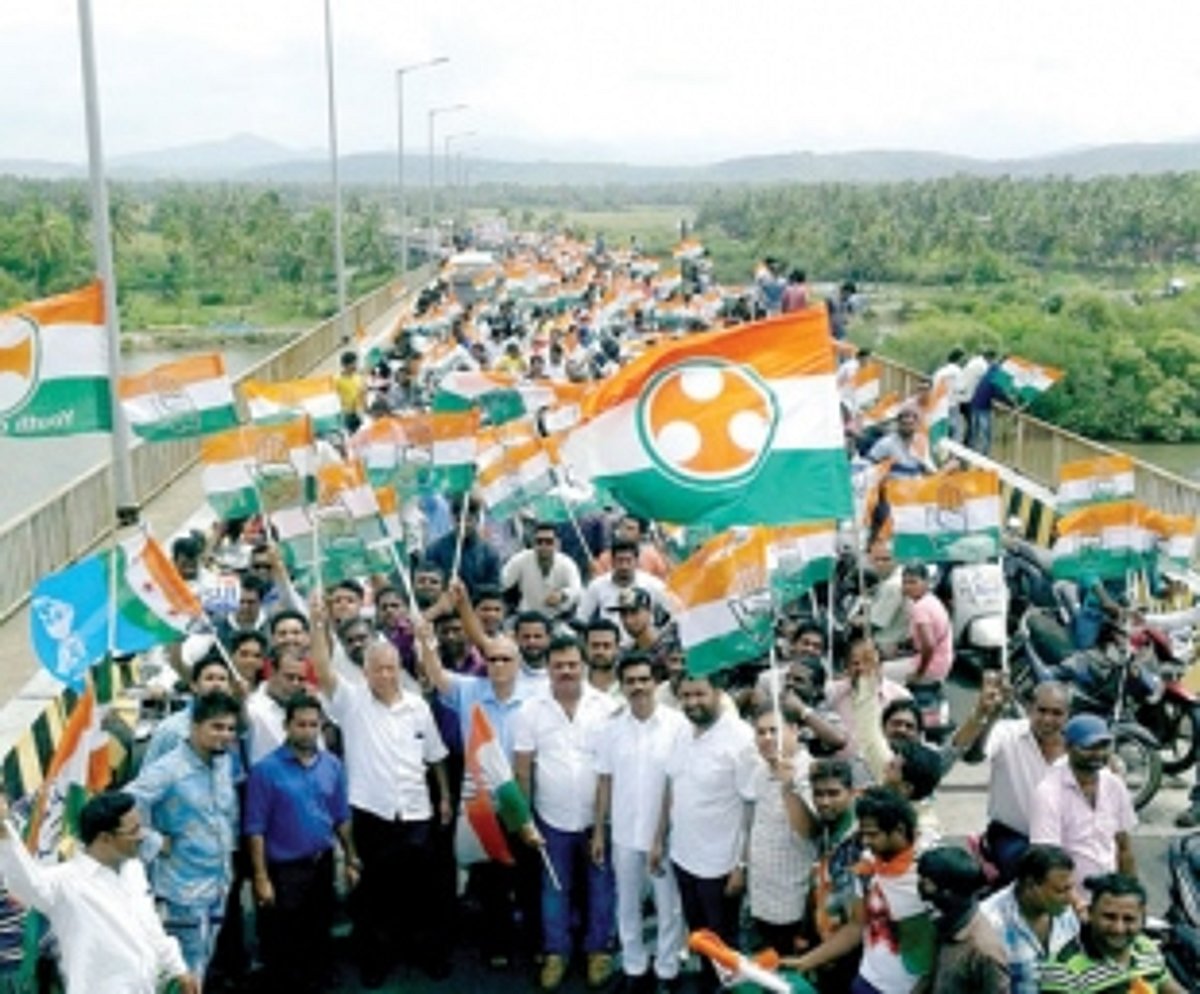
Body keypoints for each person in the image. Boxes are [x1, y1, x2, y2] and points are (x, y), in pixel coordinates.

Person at [309, 597, 453, 986]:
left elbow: (436, 755)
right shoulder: (351, 702)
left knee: (420, 890)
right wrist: (318, 625)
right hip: (371, 812)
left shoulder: (418, 706)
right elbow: (322, 668)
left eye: (391, 668)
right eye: (378, 669)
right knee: (374, 892)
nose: (386, 675)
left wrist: (443, 795)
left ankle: (425, 953)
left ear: (398, 668)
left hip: (417, 811)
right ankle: (376, 959)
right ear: (366, 671)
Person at [0, 791, 197, 994]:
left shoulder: (133, 870)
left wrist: (178, 968)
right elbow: (26, 884)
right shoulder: (66, 882)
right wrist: (4, 829)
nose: (141, 837)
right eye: (133, 831)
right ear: (105, 838)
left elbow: (150, 925)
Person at [513, 635, 620, 990]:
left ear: (583, 665)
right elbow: (523, 769)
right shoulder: (530, 710)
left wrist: (602, 827)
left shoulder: (607, 707)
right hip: (551, 818)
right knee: (554, 889)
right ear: (548, 668)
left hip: (596, 819)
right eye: (558, 666)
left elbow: (608, 771)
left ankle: (598, 951)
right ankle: (556, 952)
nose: (566, 671)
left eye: (573, 664)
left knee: (601, 886)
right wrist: (525, 820)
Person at [243, 694, 359, 993]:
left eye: (313, 725)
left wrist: (351, 858)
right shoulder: (265, 770)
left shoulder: (332, 765)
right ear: (287, 726)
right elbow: (255, 828)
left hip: (322, 863)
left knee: (319, 928)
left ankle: (318, 978)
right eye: (301, 724)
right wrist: (261, 878)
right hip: (284, 870)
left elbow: (341, 816)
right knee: (284, 939)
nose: (308, 731)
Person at [651, 673, 757, 994]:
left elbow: (751, 806)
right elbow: (671, 787)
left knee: (723, 942)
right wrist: (658, 839)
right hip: (683, 856)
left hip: (721, 865)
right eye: (685, 696)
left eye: (699, 694)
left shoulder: (741, 738)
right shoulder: (682, 731)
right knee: (698, 935)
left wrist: (742, 865)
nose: (692, 702)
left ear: (718, 693)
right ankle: (707, 985)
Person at [126, 691, 241, 982]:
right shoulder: (168, 770)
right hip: (182, 891)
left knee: (204, 959)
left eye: (230, 728)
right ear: (195, 726)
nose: (225, 735)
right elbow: (124, 804)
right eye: (217, 727)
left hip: (218, 884)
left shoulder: (223, 762)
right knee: (183, 970)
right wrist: (152, 841)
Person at [592, 653, 689, 992]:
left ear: (655, 682)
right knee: (627, 902)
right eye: (630, 681)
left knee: (668, 906)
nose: (638, 687)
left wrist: (660, 836)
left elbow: (675, 784)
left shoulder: (678, 726)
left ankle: (667, 969)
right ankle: (634, 966)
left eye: (644, 679)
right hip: (623, 832)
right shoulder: (610, 728)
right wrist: (599, 832)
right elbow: (604, 781)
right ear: (622, 686)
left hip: (665, 834)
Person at [968, 682, 1070, 881]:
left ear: (1068, 715)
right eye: (1042, 710)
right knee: (1032, 875)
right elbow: (973, 756)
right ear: (1030, 708)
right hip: (1012, 834)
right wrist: (989, 718)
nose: (1048, 719)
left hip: (1060, 838)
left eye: (1056, 713)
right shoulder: (1006, 732)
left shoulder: (1077, 746)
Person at [1028, 714, 1136, 897]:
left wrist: (1131, 893)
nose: (1098, 754)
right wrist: (1078, 905)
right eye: (1089, 747)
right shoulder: (1048, 792)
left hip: (1109, 894)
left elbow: (1124, 847)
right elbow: (1049, 863)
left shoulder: (1114, 784)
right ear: (1068, 747)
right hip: (1068, 896)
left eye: (1103, 746)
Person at [779, 758, 863, 992]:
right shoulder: (829, 826)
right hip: (825, 941)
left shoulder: (860, 840)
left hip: (851, 950)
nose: (824, 802)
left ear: (851, 792)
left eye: (833, 793)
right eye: (818, 794)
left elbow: (857, 921)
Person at [1038, 873, 1185, 993]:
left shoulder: (1145, 946)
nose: (1118, 928)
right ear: (1090, 914)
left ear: (1142, 920)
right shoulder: (1063, 971)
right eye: (1109, 917)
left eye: (1129, 919)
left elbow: (1166, 985)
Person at [744, 706, 813, 957]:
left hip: (792, 901)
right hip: (761, 896)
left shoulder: (811, 772)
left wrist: (789, 787)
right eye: (761, 732)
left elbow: (807, 832)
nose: (767, 738)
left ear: (794, 730)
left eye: (774, 730)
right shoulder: (760, 770)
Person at [852, 787, 935, 994]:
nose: (865, 841)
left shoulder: (931, 873)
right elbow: (857, 924)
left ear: (899, 830)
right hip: (867, 980)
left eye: (873, 834)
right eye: (863, 834)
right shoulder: (868, 865)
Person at [980, 845, 1080, 994]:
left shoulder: (1065, 910)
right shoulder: (990, 921)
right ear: (1031, 885)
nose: (1071, 898)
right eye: (1061, 891)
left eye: (1071, 888)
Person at [916, 846, 1010, 994]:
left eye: (929, 885)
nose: (922, 893)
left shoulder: (984, 952)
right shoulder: (945, 926)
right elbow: (932, 976)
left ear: (952, 893)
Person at [882, 562, 953, 685]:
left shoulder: (921, 608)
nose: (908, 587)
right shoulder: (931, 599)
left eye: (913, 582)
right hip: (943, 661)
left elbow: (929, 646)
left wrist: (919, 674)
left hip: (932, 667)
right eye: (905, 582)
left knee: (877, 670)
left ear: (926, 583)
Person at [576, 539, 671, 627]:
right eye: (620, 560)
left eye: (628, 561)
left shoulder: (653, 584)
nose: (624, 566)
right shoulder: (596, 586)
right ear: (612, 562)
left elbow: (674, 613)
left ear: (636, 561)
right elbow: (581, 618)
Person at [424, 496, 502, 599]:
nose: (463, 525)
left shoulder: (489, 554)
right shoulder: (435, 550)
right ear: (452, 519)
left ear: (477, 519)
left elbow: (494, 589)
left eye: (468, 520)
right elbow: (427, 582)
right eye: (458, 520)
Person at [501, 522, 583, 616]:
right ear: (533, 543)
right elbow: (503, 581)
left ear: (557, 544)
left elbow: (577, 590)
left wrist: (562, 595)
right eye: (539, 541)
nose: (543, 546)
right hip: (527, 616)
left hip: (559, 616)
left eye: (549, 542)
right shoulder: (520, 559)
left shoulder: (567, 563)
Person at [244, 650, 309, 765]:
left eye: (301, 679)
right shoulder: (250, 709)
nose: (295, 684)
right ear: (272, 672)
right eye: (290, 677)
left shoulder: (307, 709)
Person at [868, 405, 932, 477]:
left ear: (917, 425)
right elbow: (868, 464)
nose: (909, 421)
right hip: (893, 481)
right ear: (898, 422)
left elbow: (926, 467)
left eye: (911, 423)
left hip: (918, 482)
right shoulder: (886, 443)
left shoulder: (921, 442)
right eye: (905, 422)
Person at [584, 618, 622, 697]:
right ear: (586, 647)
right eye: (595, 645)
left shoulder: (629, 683)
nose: (600, 651)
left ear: (617, 648)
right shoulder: (575, 682)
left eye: (606, 646)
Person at [335, 349, 366, 433]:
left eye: (356, 363)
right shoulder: (338, 381)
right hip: (349, 415)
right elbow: (336, 399)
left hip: (361, 412)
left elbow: (363, 393)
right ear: (345, 365)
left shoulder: (358, 376)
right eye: (353, 363)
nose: (356, 366)